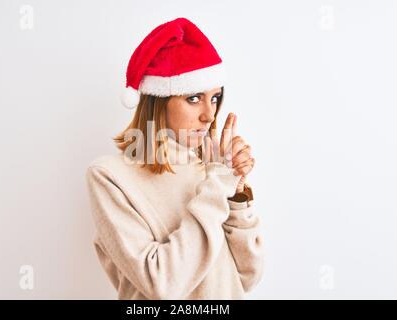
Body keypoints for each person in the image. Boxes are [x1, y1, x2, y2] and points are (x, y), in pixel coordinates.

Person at [86, 17, 264, 300]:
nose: (209, 114)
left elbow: (248, 276)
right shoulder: (110, 176)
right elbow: (162, 285)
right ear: (158, 101)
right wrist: (218, 184)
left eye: (215, 97)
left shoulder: (211, 166)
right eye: (194, 98)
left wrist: (237, 192)